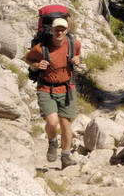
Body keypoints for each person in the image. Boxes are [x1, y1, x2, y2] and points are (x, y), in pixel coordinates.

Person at [24, 17, 85, 168]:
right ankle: (52, 142)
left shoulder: (73, 44)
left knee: (66, 124)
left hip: (67, 88)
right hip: (46, 88)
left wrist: (77, 59)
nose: (59, 32)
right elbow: (27, 59)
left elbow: (78, 55)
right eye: (56, 29)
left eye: (62, 29)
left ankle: (65, 156)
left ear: (67, 30)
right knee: (52, 121)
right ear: (51, 30)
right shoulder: (41, 48)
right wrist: (37, 65)